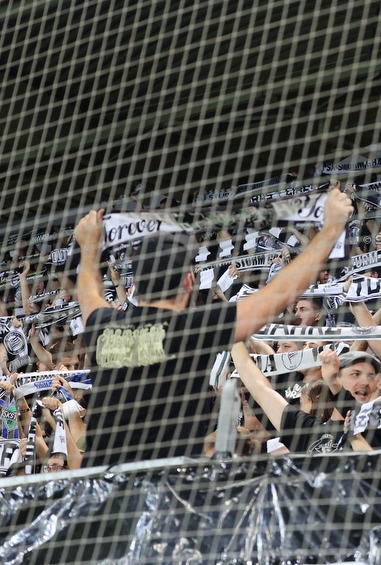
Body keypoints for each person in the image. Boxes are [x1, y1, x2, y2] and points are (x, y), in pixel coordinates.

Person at [73, 188, 352, 466]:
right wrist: (330, 230)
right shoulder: (193, 328)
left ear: (136, 286)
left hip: (97, 486)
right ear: (188, 281)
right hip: (160, 489)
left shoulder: (103, 326)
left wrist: (89, 247)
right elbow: (279, 295)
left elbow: (87, 293)